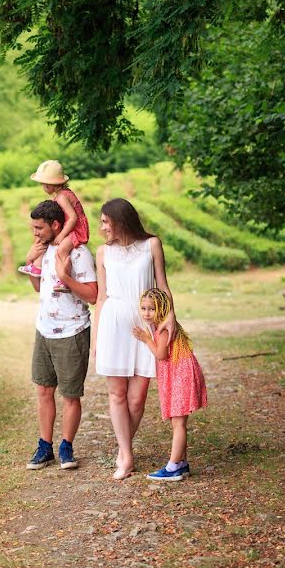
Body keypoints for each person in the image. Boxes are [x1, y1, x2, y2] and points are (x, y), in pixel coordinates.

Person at [92, 198, 177, 480]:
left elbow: (162, 285)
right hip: (113, 325)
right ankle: (126, 455)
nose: (102, 227)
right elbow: (101, 297)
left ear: (121, 220)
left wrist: (170, 316)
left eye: (106, 221)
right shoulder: (102, 252)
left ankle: (123, 448)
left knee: (137, 398)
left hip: (146, 325)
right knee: (116, 393)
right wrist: (96, 337)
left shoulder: (151, 245)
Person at [22, 199, 98, 470]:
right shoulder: (43, 250)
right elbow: (37, 287)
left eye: (39, 228)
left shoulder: (78, 253)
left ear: (56, 225)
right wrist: (31, 260)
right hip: (44, 330)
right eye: (33, 228)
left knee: (70, 395)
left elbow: (92, 295)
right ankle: (45, 447)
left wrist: (66, 278)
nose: (35, 233)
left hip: (72, 331)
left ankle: (66, 446)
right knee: (44, 390)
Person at [132, 288, 207, 481]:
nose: (147, 313)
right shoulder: (161, 325)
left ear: (163, 308)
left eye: (152, 309)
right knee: (178, 422)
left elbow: (161, 354)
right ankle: (181, 463)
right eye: (144, 308)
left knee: (178, 422)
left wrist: (146, 338)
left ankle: (173, 466)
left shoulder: (164, 329)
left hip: (181, 374)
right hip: (178, 374)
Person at [18, 160, 90, 292]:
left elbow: (73, 218)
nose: (42, 187)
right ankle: (35, 267)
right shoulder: (61, 195)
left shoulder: (62, 197)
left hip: (76, 230)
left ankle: (63, 279)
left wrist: (61, 235)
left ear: (50, 185)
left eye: (43, 184)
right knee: (42, 242)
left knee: (61, 250)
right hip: (70, 228)